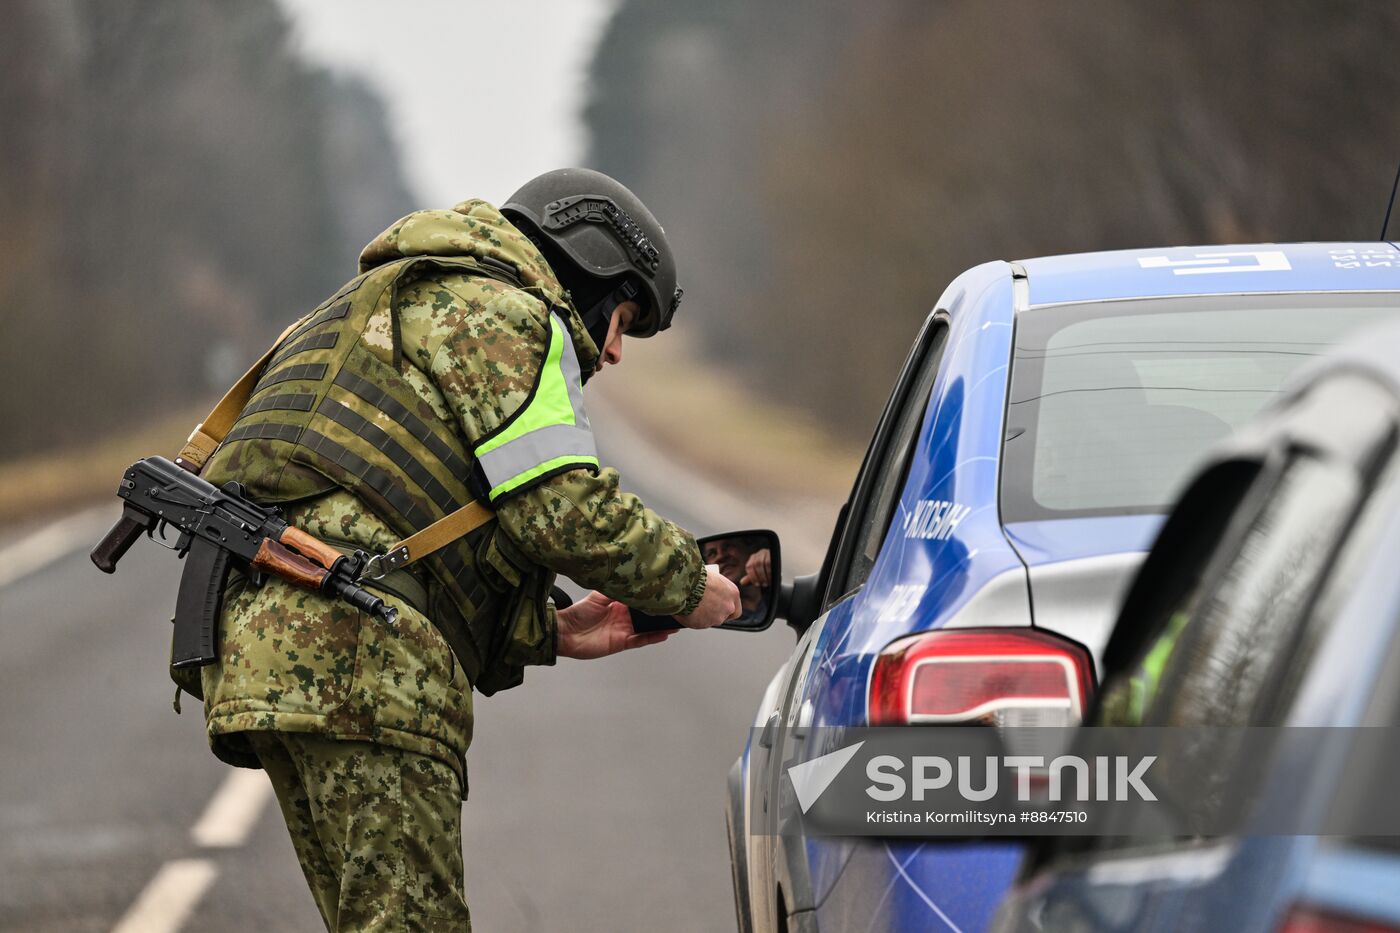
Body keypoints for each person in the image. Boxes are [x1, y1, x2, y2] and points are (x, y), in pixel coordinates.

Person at [194, 168, 743, 931]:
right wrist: (691, 581)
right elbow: (564, 509)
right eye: (621, 317)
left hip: (260, 655)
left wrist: (551, 629)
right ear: (587, 265)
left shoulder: (388, 297)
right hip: (361, 665)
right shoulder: (508, 314)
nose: (613, 351)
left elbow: (389, 511)